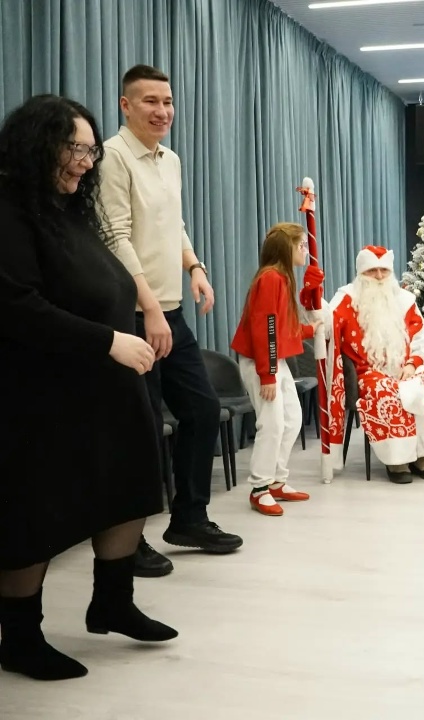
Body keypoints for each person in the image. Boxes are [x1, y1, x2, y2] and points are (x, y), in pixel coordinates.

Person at [0, 94, 178, 682]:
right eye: (73, 148)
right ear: (37, 146)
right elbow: (17, 305)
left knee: (130, 484)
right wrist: (107, 341)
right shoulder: (9, 209)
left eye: (88, 150)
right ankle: (21, 638)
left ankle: (113, 601)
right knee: (39, 514)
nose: (83, 161)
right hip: (43, 394)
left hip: (102, 386)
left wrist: (134, 319)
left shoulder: (68, 207)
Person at [98, 64, 243, 573]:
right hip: (133, 317)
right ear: (125, 106)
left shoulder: (170, 159)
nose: (162, 111)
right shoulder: (113, 158)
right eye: (150, 102)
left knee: (201, 413)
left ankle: (188, 518)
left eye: (168, 101)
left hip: (169, 313)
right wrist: (151, 309)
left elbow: (174, 223)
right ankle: (126, 539)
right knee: (138, 431)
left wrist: (196, 268)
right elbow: (115, 237)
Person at [308, 245, 424, 483]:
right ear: (361, 273)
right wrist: (312, 296)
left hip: (405, 367)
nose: (379, 277)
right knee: (387, 393)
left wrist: (412, 365)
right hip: (367, 372)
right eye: (372, 271)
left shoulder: (404, 300)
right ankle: (397, 460)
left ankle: (422, 455)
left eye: (384, 271)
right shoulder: (347, 298)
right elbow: (325, 324)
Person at [231, 223, 319, 516]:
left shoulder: (281, 278)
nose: (305, 251)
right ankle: (260, 487)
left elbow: (281, 327)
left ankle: (277, 480)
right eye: (301, 245)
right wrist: (266, 374)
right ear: (287, 248)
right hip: (261, 362)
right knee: (271, 424)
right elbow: (265, 328)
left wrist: (309, 329)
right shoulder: (271, 279)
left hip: (272, 360)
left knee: (292, 419)